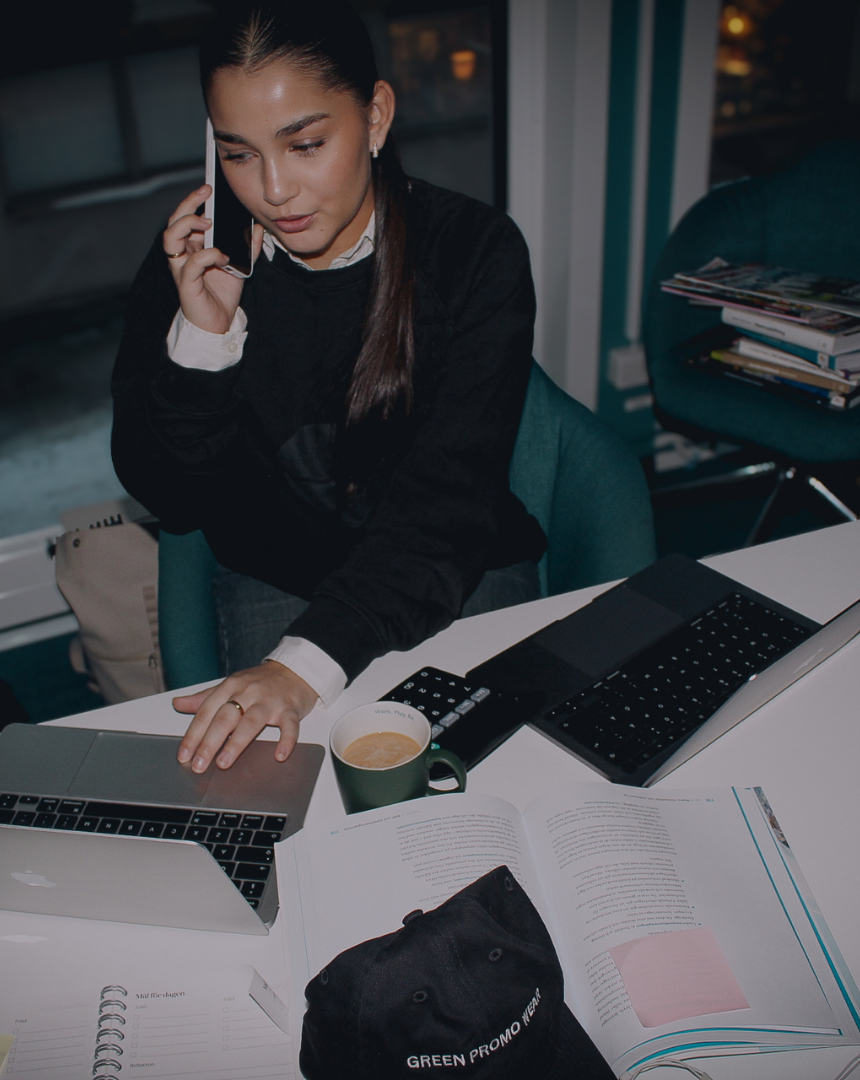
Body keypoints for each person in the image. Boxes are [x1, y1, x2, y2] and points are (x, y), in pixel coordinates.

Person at [111, 0, 546, 775]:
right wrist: (204, 342)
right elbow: (170, 495)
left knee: (499, 779)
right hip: (279, 573)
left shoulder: (473, 255)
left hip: (448, 565)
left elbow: (444, 507)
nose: (275, 191)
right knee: (295, 807)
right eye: (238, 154)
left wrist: (303, 666)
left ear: (376, 116)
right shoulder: (192, 265)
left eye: (306, 143)